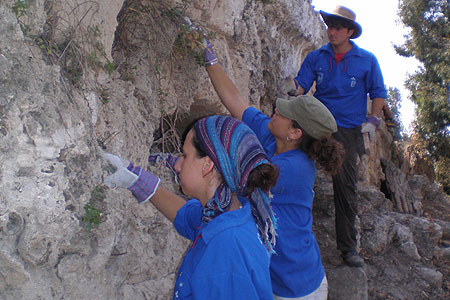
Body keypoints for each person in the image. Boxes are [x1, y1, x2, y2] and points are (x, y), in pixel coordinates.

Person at [201, 39, 344, 299]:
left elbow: (235, 180)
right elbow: (236, 102)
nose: (276, 110)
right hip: (278, 277)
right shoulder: (273, 138)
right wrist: (210, 59)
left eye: (284, 113)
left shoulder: (295, 169)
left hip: (297, 289)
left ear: (295, 133)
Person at [102, 115, 279, 300]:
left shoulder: (225, 251)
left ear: (207, 165)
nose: (177, 165)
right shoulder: (229, 213)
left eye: (185, 156)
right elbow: (186, 215)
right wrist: (136, 179)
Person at [288, 5, 387, 267]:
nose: (331, 31)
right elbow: (301, 86)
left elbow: (378, 93)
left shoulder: (367, 60)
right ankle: (285, 237)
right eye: (329, 26)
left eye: (337, 27)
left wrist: (372, 122)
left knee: (346, 188)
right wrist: (292, 91)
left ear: (349, 32)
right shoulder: (317, 57)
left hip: (346, 130)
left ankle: (348, 250)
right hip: (316, 123)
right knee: (293, 168)